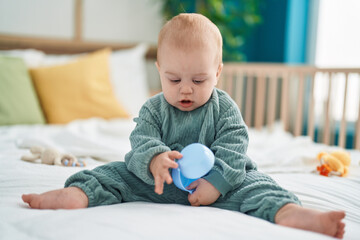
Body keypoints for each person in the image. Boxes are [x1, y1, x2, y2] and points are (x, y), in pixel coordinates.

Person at [22, 13, 345, 239]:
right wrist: (154, 159)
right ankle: (76, 194)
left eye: (199, 79)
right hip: (157, 183)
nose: (185, 89)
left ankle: (290, 213)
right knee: (111, 174)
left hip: (217, 186)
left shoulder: (224, 107)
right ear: (159, 70)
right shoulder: (153, 107)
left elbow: (235, 147)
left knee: (257, 184)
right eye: (173, 79)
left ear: (217, 72)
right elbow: (142, 138)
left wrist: (216, 183)